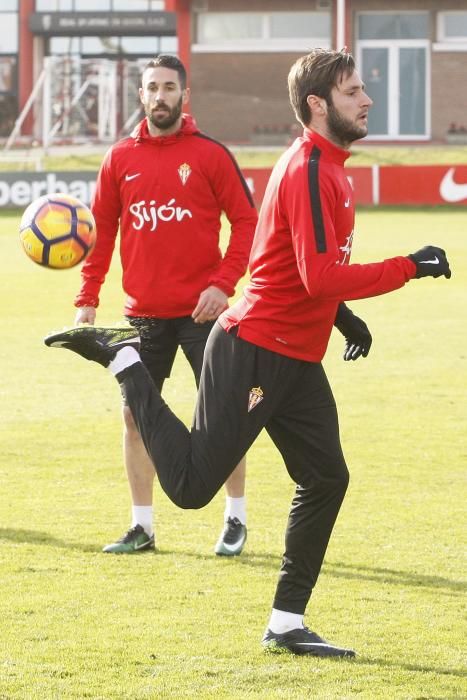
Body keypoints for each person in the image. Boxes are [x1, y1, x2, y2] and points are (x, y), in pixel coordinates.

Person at [46, 48, 451, 656]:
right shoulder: (310, 167)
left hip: (296, 355)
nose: (366, 100)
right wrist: (409, 267)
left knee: (326, 477)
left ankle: (286, 622)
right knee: (188, 487)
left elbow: (284, 260)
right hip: (254, 349)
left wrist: (342, 318)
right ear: (319, 105)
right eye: (353, 91)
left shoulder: (326, 166)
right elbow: (316, 275)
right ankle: (126, 364)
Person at [73, 54, 257, 555]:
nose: (160, 96)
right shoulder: (119, 159)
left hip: (206, 314)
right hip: (144, 315)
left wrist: (223, 284)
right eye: (152, 87)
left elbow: (246, 222)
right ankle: (142, 527)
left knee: (223, 417)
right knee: (135, 418)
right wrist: (87, 297)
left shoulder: (210, 154)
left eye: (169, 87)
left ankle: (235, 519)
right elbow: (101, 232)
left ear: (184, 95)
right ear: (141, 95)